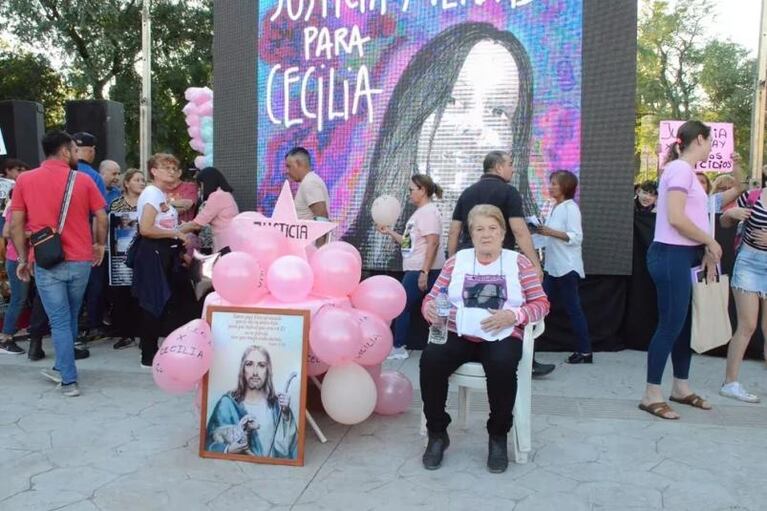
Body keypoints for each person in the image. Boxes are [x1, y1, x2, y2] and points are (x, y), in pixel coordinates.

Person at [346, 22, 537, 269]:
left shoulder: (503, 207)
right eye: (452, 101)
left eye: (497, 111)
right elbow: (415, 244)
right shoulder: (356, 250)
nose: (472, 128)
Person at [419, 205, 549, 473]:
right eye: (479, 229)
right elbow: (433, 296)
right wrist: (429, 308)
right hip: (459, 332)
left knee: (502, 365)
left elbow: (541, 304)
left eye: (492, 229)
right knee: (431, 359)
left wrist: (514, 315)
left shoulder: (520, 263)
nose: (486, 235)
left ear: (503, 234)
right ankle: (437, 433)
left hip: (500, 333)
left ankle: (498, 435)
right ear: (471, 234)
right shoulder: (457, 261)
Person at [10, 131, 107, 397]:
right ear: (64, 152)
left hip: (46, 261)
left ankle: (68, 379)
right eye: (75, 151)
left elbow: (16, 224)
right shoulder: (85, 180)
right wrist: (99, 245)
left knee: (61, 321)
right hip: (81, 261)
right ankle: (62, 366)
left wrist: (21, 256)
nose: (77, 155)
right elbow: (101, 216)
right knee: (70, 317)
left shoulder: (25, 180)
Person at [639, 120, 720, 420]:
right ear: (699, 139)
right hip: (671, 254)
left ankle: (681, 388)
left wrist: (704, 248)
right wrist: (710, 241)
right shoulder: (680, 170)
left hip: (684, 255)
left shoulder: (683, 171)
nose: (711, 146)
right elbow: (675, 217)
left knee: (683, 325)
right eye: (710, 140)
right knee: (670, 325)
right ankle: (651, 394)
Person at [447, 151, 553, 377]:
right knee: (509, 305)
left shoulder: (467, 192)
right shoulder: (509, 192)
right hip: (499, 257)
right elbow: (519, 229)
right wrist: (535, 263)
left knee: (471, 309)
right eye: (510, 165)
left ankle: (471, 353)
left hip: (467, 256)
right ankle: (526, 361)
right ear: (497, 167)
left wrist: (453, 260)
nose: (512, 169)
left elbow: (454, 229)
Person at [131, 153, 196, 368]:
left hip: (166, 254)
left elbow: (162, 226)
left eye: (174, 168)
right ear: (153, 171)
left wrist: (177, 237)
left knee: (168, 300)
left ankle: (158, 349)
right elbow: (146, 229)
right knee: (154, 301)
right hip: (153, 254)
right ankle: (148, 355)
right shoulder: (151, 193)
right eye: (165, 167)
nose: (171, 171)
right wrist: (176, 235)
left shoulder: (160, 195)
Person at [377, 174, 445, 360]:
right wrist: (389, 231)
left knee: (403, 306)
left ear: (422, 190)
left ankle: (398, 346)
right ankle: (401, 346)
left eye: (411, 190)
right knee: (415, 307)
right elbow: (409, 243)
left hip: (422, 270)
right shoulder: (420, 213)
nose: (409, 194)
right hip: (417, 268)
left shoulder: (429, 212)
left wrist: (424, 272)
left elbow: (433, 243)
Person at [718, 183, 767, 402]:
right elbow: (724, 222)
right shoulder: (753, 195)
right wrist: (731, 213)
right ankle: (730, 383)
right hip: (749, 262)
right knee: (747, 325)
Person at [536, 170, 592, 364]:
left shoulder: (570, 208)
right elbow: (549, 238)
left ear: (565, 187)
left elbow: (577, 237)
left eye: (554, 184)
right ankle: (529, 346)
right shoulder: (555, 207)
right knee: (540, 304)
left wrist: (551, 232)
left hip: (567, 268)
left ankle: (585, 351)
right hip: (553, 267)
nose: (550, 187)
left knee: (572, 309)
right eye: (550, 183)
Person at [205, 346, 298, 458]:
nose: (255, 372)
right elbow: (209, 441)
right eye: (249, 364)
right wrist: (227, 449)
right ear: (242, 370)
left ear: (268, 371)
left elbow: (287, 448)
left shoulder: (276, 405)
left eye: (261, 365)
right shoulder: (227, 404)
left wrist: (285, 414)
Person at [109, 168, 145, 350]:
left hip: (142, 253)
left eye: (143, 180)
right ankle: (125, 333)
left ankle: (143, 334)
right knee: (122, 294)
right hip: (120, 255)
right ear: (127, 183)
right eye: (137, 179)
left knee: (141, 294)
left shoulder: (148, 203)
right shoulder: (116, 204)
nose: (141, 182)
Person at [179, 167, 239, 253]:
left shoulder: (217, 196)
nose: (201, 189)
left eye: (201, 185)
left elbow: (197, 224)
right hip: (231, 242)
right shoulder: (225, 194)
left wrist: (173, 232)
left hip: (225, 244)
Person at [0, 190, 29, 355]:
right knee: (18, 299)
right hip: (17, 259)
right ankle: (6, 338)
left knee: (21, 298)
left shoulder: (18, 208)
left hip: (22, 259)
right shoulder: (15, 209)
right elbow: (6, 232)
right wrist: (31, 234)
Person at [284, 147, 330, 245]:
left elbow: (322, 217)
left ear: (299, 164)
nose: (287, 171)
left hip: (310, 250)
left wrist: (318, 250)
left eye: (289, 166)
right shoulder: (308, 181)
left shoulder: (310, 183)